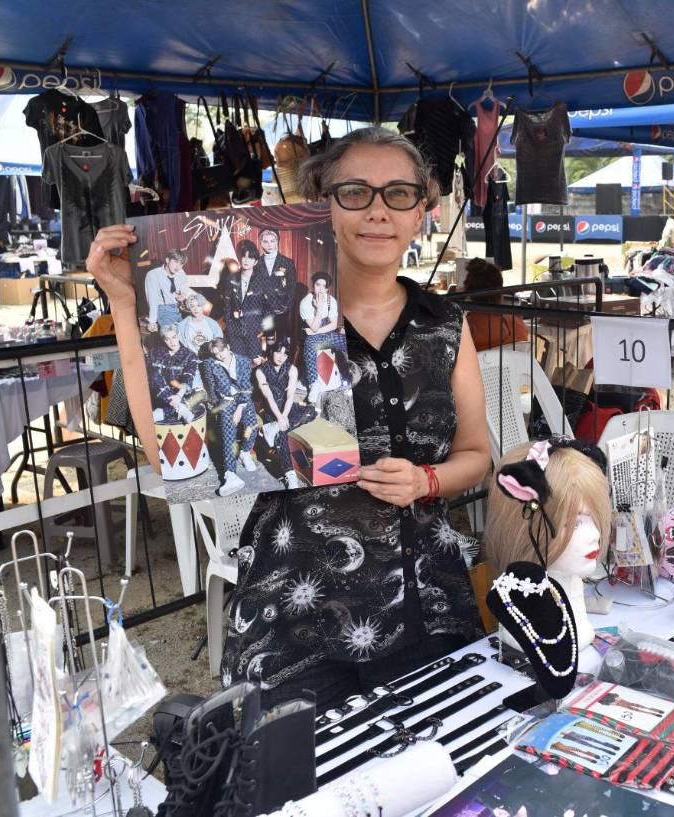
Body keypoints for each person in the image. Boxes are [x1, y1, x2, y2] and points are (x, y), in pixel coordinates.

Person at [86, 126, 491, 707]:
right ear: (323, 205)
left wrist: (425, 480)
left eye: (399, 193)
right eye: (356, 192)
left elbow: (475, 455)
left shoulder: (444, 324)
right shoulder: (277, 320)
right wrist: (125, 306)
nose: (378, 211)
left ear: (421, 211)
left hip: (426, 603)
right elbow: (170, 453)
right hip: (295, 617)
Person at [202, 338, 260, 497]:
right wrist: (217, 405)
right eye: (216, 354)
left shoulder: (243, 361)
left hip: (244, 399)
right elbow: (210, 386)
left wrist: (239, 409)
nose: (220, 355)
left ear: (228, 347)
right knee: (228, 436)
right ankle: (230, 475)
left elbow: (246, 387)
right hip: (225, 402)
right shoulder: (210, 364)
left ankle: (245, 452)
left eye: (222, 351)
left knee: (251, 426)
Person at [254, 339, 316, 490]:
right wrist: (279, 418)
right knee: (281, 434)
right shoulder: (260, 371)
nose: (281, 357)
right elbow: (268, 397)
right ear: (271, 352)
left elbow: (290, 396)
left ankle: (273, 428)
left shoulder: (292, 369)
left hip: (286, 407)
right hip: (270, 410)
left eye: (285, 354)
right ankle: (290, 475)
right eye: (278, 352)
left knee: (311, 412)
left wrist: (284, 418)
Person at [218, 239, 271, 362]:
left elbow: (268, 306)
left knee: (255, 361)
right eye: (244, 257)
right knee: (238, 361)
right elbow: (227, 305)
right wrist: (229, 325)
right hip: (235, 330)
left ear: (255, 261)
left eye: (250, 258)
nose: (246, 260)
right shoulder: (231, 278)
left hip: (255, 329)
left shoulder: (262, 280)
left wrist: (262, 327)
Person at [462, 258, 530, 351]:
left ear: (469, 294)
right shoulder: (517, 322)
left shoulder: (467, 327)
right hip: (518, 360)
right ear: (500, 291)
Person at [298, 271, 349, 389]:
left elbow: (333, 325)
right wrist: (319, 308)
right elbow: (314, 327)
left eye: (324, 286)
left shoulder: (331, 300)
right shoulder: (305, 302)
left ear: (327, 289)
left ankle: (351, 375)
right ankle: (314, 385)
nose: (320, 289)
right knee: (310, 348)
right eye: (318, 285)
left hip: (327, 335)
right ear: (313, 285)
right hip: (312, 338)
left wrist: (316, 330)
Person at [146, 324, 201, 424]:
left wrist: (178, 396)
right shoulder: (154, 352)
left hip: (180, 392)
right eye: (167, 339)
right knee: (154, 375)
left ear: (178, 336)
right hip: (158, 393)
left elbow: (187, 379)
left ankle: (163, 413)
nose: (172, 342)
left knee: (197, 394)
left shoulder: (190, 355)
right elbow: (146, 374)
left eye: (174, 337)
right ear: (164, 340)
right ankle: (179, 407)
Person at [143, 249, 191, 330]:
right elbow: (152, 300)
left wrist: (183, 294)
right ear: (167, 260)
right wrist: (152, 321)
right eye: (175, 262)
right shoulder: (153, 274)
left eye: (181, 264)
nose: (178, 267)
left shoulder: (180, 272)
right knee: (172, 334)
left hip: (178, 309)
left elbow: (184, 285)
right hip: (163, 310)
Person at [259, 228, 298, 309]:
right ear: (261, 243)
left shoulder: (287, 262)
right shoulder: (256, 263)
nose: (269, 245)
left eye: (272, 241)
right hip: (261, 307)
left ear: (277, 242)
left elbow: (292, 288)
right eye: (265, 241)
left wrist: (285, 306)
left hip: (282, 307)